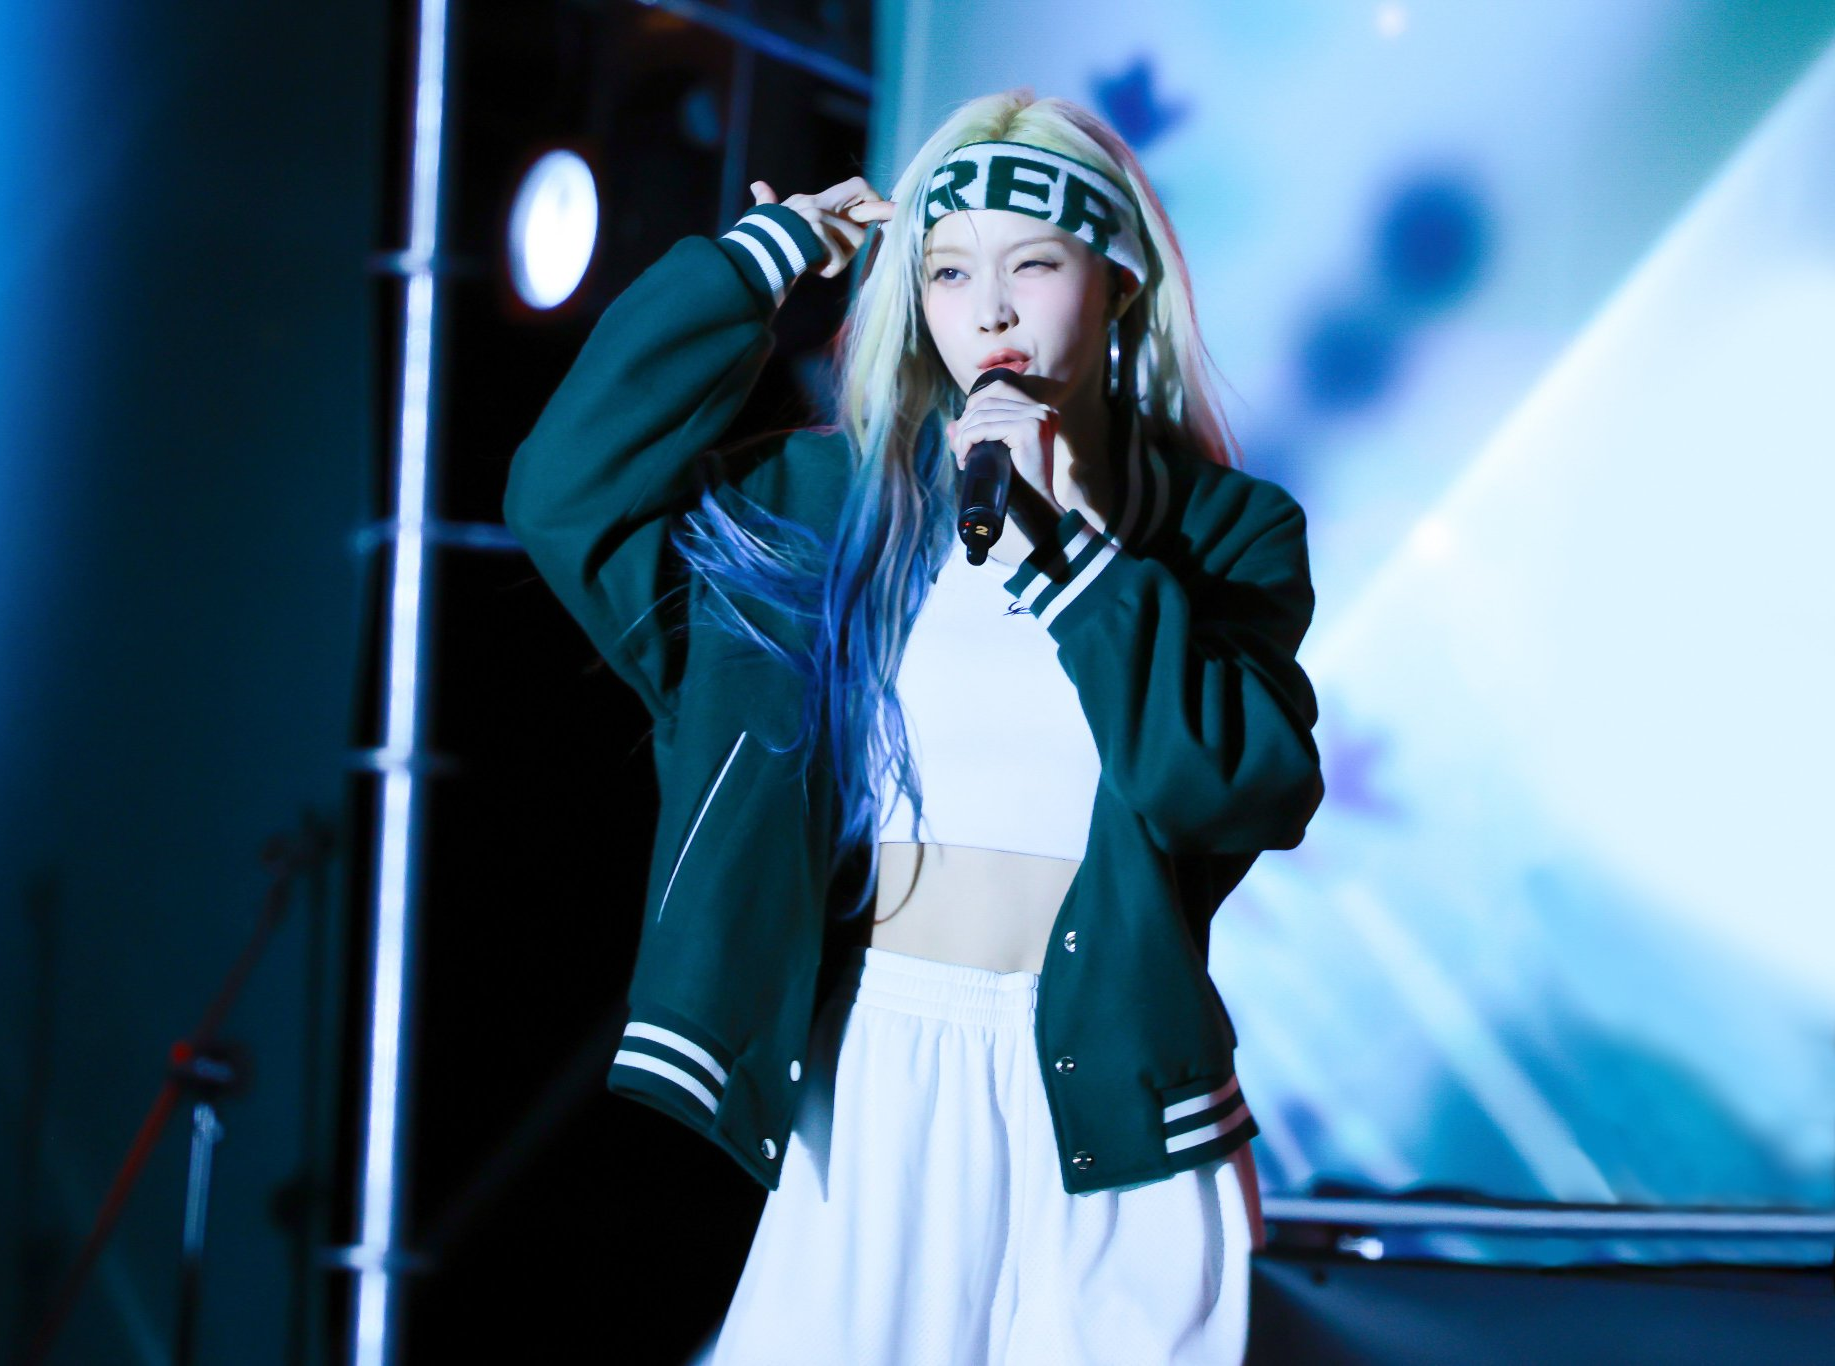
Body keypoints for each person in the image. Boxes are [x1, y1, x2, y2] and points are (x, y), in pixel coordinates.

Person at [505, 88, 1324, 1365]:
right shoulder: (823, 508)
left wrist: (1069, 564)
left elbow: (1230, 787)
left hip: (1116, 1092)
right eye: (947, 271)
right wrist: (758, 263)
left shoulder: (1221, 532)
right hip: (872, 1070)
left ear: (1116, 284)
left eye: (1031, 264)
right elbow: (567, 493)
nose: (986, 309)